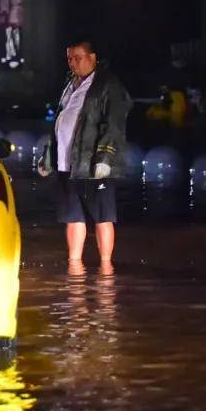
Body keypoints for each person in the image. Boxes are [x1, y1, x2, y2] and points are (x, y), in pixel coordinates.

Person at [37, 39, 131, 268]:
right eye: (69, 58)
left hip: (93, 165)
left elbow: (114, 124)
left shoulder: (108, 85)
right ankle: (74, 264)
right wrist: (49, 157)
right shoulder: (70, 84)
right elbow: (59, 123)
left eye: (78, 58)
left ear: (92, 57)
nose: (73, 63)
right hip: (67, 163)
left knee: (103, 215)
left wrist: (105, 158)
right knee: (72, 216)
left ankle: (106, 266)